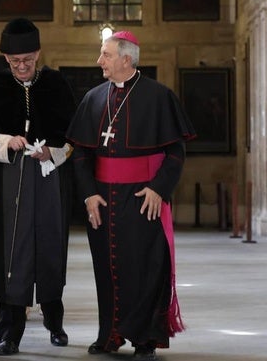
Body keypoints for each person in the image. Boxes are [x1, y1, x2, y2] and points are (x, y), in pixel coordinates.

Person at [66, 31, 196, 360]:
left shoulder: (158, 96)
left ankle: (144, 338)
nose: (99, 61)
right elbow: (81, 153)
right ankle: (110, 333)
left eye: (105, 55)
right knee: (106, 269)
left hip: (143, 198)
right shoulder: (93, 98)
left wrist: (159, 188)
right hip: (102, 201)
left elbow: (176, 152)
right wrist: (88, 196)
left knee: (146, 267)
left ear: (127, 59)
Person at [0, 18, 75, 356]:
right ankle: (9, 333)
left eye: (28, 59)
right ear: (6, 60)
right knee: (10, 256)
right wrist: (5, 141)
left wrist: (52, 151)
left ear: (38, 53)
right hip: (9, 182)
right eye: (15, 61)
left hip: (48, 180)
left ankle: (54, 324)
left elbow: (73, 138)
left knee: (49, 248)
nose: (22, 66)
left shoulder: (56, 85)